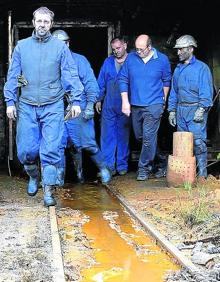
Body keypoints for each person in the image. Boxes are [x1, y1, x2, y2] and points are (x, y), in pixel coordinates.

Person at [4, 7, 84, 207]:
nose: (42, 25)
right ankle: (33, 176)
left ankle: (48, 191)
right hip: (28, 105)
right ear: (33, 22)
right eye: (39, 21)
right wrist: (10, 101)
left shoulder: (60, 48)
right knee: (26, 151)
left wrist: (75, 100)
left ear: (51, 24)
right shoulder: (22, 47)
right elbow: (13, 75)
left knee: (50, 149)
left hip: (53, 105)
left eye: (46, 22)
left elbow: (70, 74)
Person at [52, 30, 111, 185]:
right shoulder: (49, 62)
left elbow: (91, 84)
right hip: (57, 109)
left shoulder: (79, 60)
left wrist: (91, 104)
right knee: (59, 145)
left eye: (63, 44)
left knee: (87, 143)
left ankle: (104, 169)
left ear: (68, 43)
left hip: (79, 106)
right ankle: (62, 179)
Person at [118, 34, 172, 181]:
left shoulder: (162, 60)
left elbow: (166, 80)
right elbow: (123, 79)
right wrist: (125, 101)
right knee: (140, 137)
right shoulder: (131, 59)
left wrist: (163, 100)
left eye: (141, 49)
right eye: (136, 49)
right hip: (136, 104)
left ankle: (144, 169)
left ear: (150, 47)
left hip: (154, 104)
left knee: (148, 138)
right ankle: (162, 161)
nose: (138, 52)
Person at [168, 35, 213, 178]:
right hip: (181, 110)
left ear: (191, 49)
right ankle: (186, 177)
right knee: (183, 144)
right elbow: (174, 91)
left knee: (198, 142)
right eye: (177, 49)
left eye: (181, 49)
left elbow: (206, 91)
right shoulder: (178, 69)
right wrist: (172, 111)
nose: (178, 52)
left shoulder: (202, 68)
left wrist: (201, 109)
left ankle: (202, 175)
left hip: (195, 110)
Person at [96, 36, 130, 176]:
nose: (116, 51)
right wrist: (98, 99)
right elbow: (101, 81)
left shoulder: (133, 60)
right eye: (114, 49)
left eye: (118, 48)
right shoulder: (108, 61)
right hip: (109, 104)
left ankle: (122, 165)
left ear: (125, 45)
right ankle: (108, 167)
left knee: (123, 134)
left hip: (126, 103)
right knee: (107, 135)